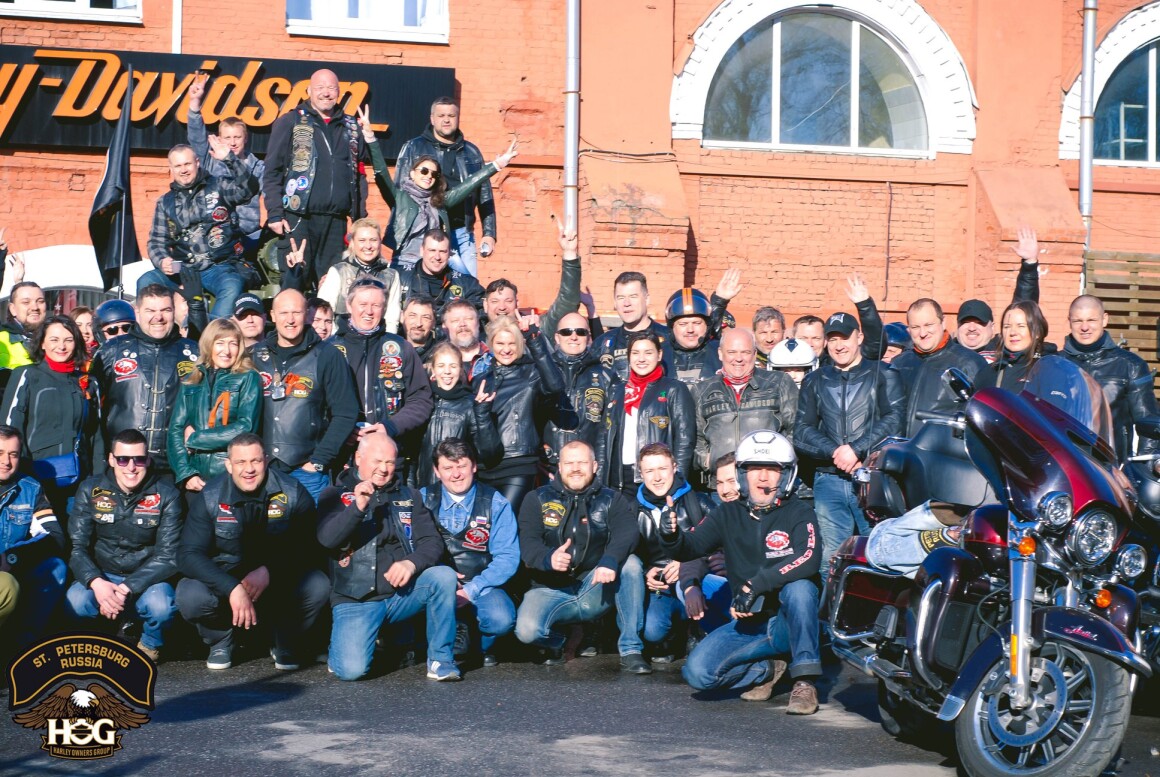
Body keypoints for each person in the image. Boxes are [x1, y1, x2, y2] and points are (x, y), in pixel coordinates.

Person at [660, 430, 822, 713]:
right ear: (742, 474)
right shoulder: (727, 512)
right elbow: (691, 547)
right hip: (750, 623)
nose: (763, 478)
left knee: (801, 588)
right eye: (755, 469)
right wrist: (671, 536)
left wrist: (756, 584)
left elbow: (808, 557)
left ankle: (805, 681)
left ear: (786, 475)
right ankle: (767, 669)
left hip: (786, 620)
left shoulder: (799, 511)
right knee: (698, 674)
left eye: (772, 470)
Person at [176, 433, 329, 671]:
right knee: (189, 594)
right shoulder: (210, 497)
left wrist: (269, 570)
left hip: (277, 582)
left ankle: (284, 639)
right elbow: (188, 554)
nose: (249, 469)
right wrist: (230, 587)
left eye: (255, 461)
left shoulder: (293, 492)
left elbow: (308, 546)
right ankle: (221, 640)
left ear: (266, 460)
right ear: (229, 465)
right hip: (226, 583)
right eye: (241, 462)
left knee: (318, 585)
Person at [317, 432, 461, 682]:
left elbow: (432, 542)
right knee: (351, 671)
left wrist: (411, 563)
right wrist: (357, 508)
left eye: (390, 462)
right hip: (357, 599)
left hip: (401, 595)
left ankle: (441, 660)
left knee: (443, 576)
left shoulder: (410, 495)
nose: (384, 469)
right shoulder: (334, 494)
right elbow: (327, 539)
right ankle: (341, 647)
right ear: (358, 458)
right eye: (377, 461)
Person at [514, 440, 649, 672]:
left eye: (582, 463)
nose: (575, 468)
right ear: (559, 467)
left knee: (631, 564)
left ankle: (631, 649)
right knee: (527, 631)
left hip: (594, 585)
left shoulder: (612, 499)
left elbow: (627, 533)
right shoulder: (536, 498)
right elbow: (527, 543)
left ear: (594, 466)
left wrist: (609, 560)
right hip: (549, 589)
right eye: (569, 463)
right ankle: (563, 638)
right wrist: (548, 558)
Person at [794, 312, 904, 572]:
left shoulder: (883, 373)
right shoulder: (814, 379)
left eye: (844, 337)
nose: (839, 345)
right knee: (830, 560)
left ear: (859, 337)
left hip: (873, 479)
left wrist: (856, 450)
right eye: (832, 339)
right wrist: (836, 452)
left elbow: (895, 418)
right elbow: (802, 430)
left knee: (877, 554)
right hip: (828, 480)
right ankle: (831, 602)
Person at [66, 429, 182, 661]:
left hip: (147, 579)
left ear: (147, 460)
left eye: (139, 459)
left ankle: (149, 644)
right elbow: (77, 547)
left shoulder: (168, 495)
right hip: (102, 574)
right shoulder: (90, 489)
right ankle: (101, 636)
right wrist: (96, 582)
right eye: (123, 459)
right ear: (111, 459)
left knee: (161, 607)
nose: (131, 467)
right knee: (76, 601)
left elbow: (169, 556)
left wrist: (127, 588)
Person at [360, 105, 517, 268]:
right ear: (412, 173)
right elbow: (381, 172)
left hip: (431, 264)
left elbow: (468, 185)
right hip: (405, 263)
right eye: (424, 171)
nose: (428, 176)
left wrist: (497, 165)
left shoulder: (438, 201)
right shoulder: (400, 197)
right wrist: (370, 136)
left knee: (467, 279)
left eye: (433, 174)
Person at [263, 69, 368, 291]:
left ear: (338, 92)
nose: (326, 93)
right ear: (309, 91)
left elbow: (359, 173)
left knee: (333, 288)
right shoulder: (290, 122)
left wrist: (359, 216)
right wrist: (274, 213)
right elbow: (272, 171)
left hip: (336, 223)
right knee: (295, 283)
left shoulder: (351, 127)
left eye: (331, 88)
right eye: (320, 88)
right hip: (299, 219)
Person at [252, 289, 358, 502]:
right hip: (261, 469)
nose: (290, 320)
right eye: (284, 313)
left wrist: (318, 462)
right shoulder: (254, 355)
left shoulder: (328, 355)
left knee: (311, 525)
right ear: (272, 315)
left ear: (307, 315)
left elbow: (346, 413)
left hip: (307, 472)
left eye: (296, 312)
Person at [421, 438, 518, 666]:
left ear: (473, 466)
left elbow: (508, 558)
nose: (456, 474)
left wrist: (470, 590)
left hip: (481, 584)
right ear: (436, 471)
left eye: (462, 466)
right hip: (434, 583)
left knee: (501, 619)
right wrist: (440, 578)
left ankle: (475, 647)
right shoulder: (422, 498)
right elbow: (410, 547)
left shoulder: (496, 502)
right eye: (448, 468)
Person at [141, 140, 259, 320]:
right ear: (171, 169)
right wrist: (162, 260)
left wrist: (230, 159)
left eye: (187, 164)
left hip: (219, 266)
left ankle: (212, 333)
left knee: (232, 286)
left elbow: (249, 189)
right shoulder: (165, 203)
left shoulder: (219, 186)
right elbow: (156, 241)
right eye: (178, 166)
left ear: (197, 163)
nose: (183, 170)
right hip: (182, 268)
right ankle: (157, 331)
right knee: (146, 281)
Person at [90, 285, 199, 475]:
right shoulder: (111, 350)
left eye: (165, 310)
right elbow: (91, 411)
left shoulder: (193, 352)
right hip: (123, 464)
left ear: (174, 311)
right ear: (138, 312)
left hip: (175, 466)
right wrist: (98, 462)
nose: (158, 317)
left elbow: (206, 405)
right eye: (151, 310)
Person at [634, 443, 728, 662]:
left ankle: (700, 628)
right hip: (661, 587)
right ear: (641, 474)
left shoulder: (698, 501)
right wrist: (646, 572)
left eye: (662, 469)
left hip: (696, 578)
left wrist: (685, 561)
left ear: (675, 467)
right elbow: (630, 551)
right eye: (649, 471)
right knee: (652, 631)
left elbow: (720, 542)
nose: (657, 477)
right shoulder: (633, 508)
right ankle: (676, 632)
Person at [2, 315, 97, 520]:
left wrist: (97, 480)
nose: (61, 346)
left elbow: (95, 434)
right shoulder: (26, 375)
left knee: (75, 536)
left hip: (78, 482)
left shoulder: (88, 382)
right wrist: (22, 477)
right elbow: (8, 429)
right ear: (42, 343)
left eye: (68, 340)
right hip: (34, 480)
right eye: (54, 339)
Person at [333, 279, 434, 469]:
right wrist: (341, 430)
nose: (369, 311)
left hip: (389, 457)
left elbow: (421, 399)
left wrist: (391, 427)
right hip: (340, 456)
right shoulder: (329, 349)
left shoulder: (401, 348)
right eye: (363, 304)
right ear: (349, 305)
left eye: (376, 305)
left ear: (384, 308)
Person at [395, 97, 499, 276]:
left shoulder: (471, 152)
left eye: (451, 116)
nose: (446, 120)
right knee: (421, 285)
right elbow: (399, 191)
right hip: (425, 233)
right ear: (432, 118)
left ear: (458, 118)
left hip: (462, 233)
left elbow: (485, 194)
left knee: (468, 286)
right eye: (441, 115)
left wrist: (489, 233)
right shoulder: (413, 147)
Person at [473, 314, 565, 512]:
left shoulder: (531, 372)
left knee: (504, 515)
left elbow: (555, 386)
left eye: (512, 343)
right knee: (485, 524)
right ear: (491, 344)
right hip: (485, 466)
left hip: (519, 463)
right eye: (500, 343)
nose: (506, 349)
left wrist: (534, 338)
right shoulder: (481, 379)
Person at [693, 328, 798, 490]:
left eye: (745, 352)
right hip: (721, 486)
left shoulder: (779, 383)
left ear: (754, 354)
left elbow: (796, 429)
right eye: (732, 352)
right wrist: (708, 461)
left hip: (766, 484)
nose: (739, 358)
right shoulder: (702, 390)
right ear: (720, 354)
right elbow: (695, 436)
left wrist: (778, 464)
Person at [167, 318, 262, 491]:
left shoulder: (248, 377)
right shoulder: (192, 380)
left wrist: (196, 439)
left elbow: (246, 427)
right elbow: (175, 429)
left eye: (233, 343)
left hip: (229, 474)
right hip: (195, 474)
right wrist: (185, 473)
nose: (227, 350)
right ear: (209, 344)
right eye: (220, 343)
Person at [1063, 294, 1160, 461]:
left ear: (1104, 320)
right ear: (1069, 322)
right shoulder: (1056, 364)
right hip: (1065, 462)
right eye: (1078, 321)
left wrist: (1143, 465)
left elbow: (1148, 423)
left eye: (1091, 320)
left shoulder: (1130, 365)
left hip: (1112, 465)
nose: (1084, 327)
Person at [0, 425, 67, 652]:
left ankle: (23, 645)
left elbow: (54, 536)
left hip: (11, 570)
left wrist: (12, 557)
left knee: (56, 567)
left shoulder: (30, 489)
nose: (6, 461)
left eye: (13, 454)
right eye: (0, 453)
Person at [604, 331, 695, 495]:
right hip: (619, 480)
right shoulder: (618, 391)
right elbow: (604, 437)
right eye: (635, 353)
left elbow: (684, 440)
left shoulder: (673, 389)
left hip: (656, 479)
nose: (641, 359)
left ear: (659, 355)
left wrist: (677, 483)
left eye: (648, 353)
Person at [186, 73, 265, 249]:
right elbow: (196, 137)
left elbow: (272, 197)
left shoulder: (259, 167)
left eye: (237, 137)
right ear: (220, 139)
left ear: (246, 138)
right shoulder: (210, 162)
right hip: (215, 237)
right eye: (228, 137)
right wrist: (194, 104)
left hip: (249, 237)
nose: (233, 142)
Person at [890, 298, 988, 437]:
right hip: (901, 448)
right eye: (915, 327)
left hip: (944, 449)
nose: (923, 333)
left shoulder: (970, 362)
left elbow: (981, 419)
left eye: (928, 325)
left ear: (943, 322)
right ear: (908, 330)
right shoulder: (899, 363)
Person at [414, 341, 501, 488]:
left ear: (461, 369)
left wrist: (482, 413)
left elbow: (490, 455)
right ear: (433, 369)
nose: (447, 371)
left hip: (458, 485)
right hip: (424, 488)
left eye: (453, 366)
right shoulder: (421, 401)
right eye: (441, 366)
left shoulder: (470, 403)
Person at [957, 225, 1043, 364]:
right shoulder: (947, 356)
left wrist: (1029, 266)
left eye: (980, 323)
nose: (972, 328)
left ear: (992, 327)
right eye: (965, 322)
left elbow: (1022, 307)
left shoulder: (1004, 355)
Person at [543, 310, 615, 476]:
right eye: (566, 332)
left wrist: (600, 469)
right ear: (557, 337)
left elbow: (608, 429)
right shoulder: (541, 372)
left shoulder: (605, 375)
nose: (573, 337)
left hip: (587, 469)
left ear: (588, 337)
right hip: (548, 467)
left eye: (580, 332)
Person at [316, 218, 402, 329]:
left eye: (373, 240)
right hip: (342, 334)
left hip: (378, 336)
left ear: (380, 242)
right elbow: (325, 312)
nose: (368, 246)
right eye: (362, 240)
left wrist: (389, 338)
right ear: (352, 242)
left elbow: (392, 318)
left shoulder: (391, 275)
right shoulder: (338, 271)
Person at [665, 273, 743, 385]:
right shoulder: (658, 355)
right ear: (672, 326)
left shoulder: (721, 353)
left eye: (697, 323)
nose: (690, 329)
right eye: (683, 324)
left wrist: (719, 301)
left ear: (707, 325)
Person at [595, 272, 674, 381]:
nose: (626, 303)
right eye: (621, 297)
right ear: (615, 302)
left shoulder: (670, 339)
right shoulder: (601, 344)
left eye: (633, 296)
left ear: (647, 299)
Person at [394, 230, 486, 317]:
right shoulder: (398, 277)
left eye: (442, 251)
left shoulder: (467, 284)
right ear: (422, 251)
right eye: (432, 250)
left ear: (449, 253)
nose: (437, 257)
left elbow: (482, 313)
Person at [992, 300, 1053, 391]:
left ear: (1037, 332)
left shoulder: (1050, 370)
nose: (1013, 332)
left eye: (1021, 326)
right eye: (1007, 327)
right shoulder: (991, 372)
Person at [0, 281, 46, 391]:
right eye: (26, 302)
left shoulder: (58, 339)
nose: (35, 307)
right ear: (13, 309)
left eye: (40, 301)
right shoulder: (2, 339)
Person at [443, 298, 489, 379]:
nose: (462, 324)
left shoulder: (495, 356)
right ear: (444, 327)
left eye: (468, 319)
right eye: (455, 320)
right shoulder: (435, 362)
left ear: (478, 323)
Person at [401, 295, 439, 360]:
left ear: (434, 322)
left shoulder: (440, 355)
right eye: (412, 316)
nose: (418, 324)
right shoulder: (388, 347)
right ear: (402, 317)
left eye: (426, 317)